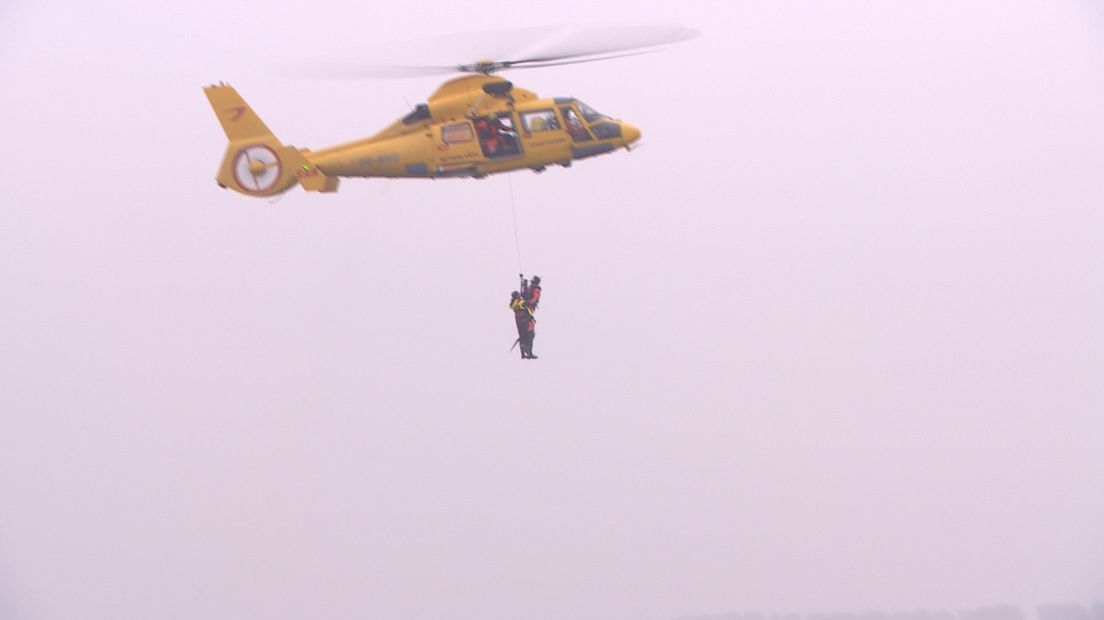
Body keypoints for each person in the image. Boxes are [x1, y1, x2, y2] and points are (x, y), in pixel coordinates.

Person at [509, 291, 537, 360]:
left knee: (522, 338)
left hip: (519, 323)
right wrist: (531, 317)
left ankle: (522, 354)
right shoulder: (521, 302)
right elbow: (527, 310)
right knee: (530, 335)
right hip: (525, 322)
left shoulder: (513, 304)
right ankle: (529, 353)